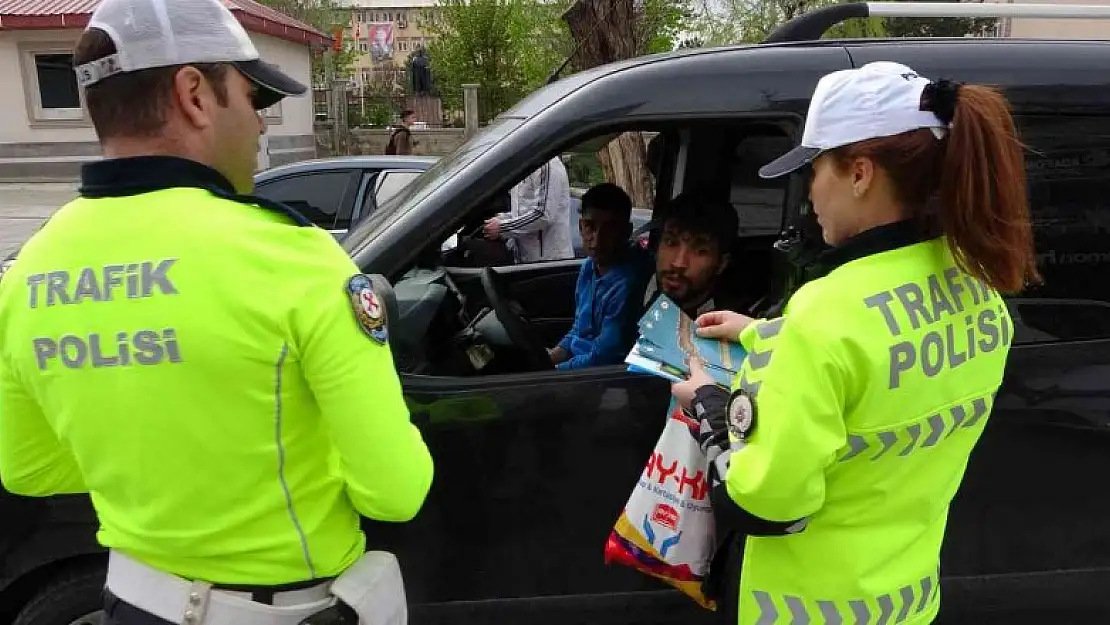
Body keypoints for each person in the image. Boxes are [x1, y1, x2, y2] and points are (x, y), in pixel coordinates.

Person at [0, 1, 434, 624]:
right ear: (195, 94)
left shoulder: (30, 270)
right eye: (253, 101)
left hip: (132, 603)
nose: (260, 128)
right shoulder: (295, 258)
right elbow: (396, 490)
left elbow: (30, 469)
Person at [671, 61, 1039, 624]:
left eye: (816, 169)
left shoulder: (824, 312)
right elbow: (886, 374)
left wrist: (709, 406)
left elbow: (765, 504)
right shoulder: (976, 288)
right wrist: (763, 332)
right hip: (907, 601)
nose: (809, 192)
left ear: (860, 173)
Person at [550, 183, 651, 370]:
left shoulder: (627, 282)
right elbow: (580, 329)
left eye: (610, 229)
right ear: (581, 227)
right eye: (590, 226)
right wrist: (552, 356)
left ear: (626, 232)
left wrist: (555, 372)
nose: (597, 239)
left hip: (603, 376)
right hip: (582, 363)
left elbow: (605, 356)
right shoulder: (589, 266)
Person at [644, 191, 742, 318]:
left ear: (721, 263)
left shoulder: (730, 327)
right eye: (671, 242)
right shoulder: (639, 295)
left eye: (700, 251)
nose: (678, 263)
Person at [483, 156, 573, 263]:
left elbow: (543, 215)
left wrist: (503, 227)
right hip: (526, 261)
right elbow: (522, 212)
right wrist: (501, 219)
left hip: (549, 262)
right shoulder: (524, 165)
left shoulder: (547, 165)